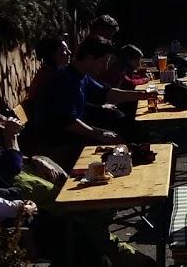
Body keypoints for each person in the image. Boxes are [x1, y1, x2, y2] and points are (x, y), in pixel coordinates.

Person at [32, 36, 142, 169]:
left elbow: (107, 93)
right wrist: (101, 135)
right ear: (90, 58)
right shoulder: (66, 80)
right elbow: (67, 122)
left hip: (70, 135)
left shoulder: (81, 75)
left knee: (124, 126)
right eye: (103, 61)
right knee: (119, 142)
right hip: (57, 142)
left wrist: (142, 95)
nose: (105, 66)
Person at [25, 37, 71, 108]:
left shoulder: (54, 73)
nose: (69, 52)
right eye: (64, 50)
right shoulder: (47, 78)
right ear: (53, 55)